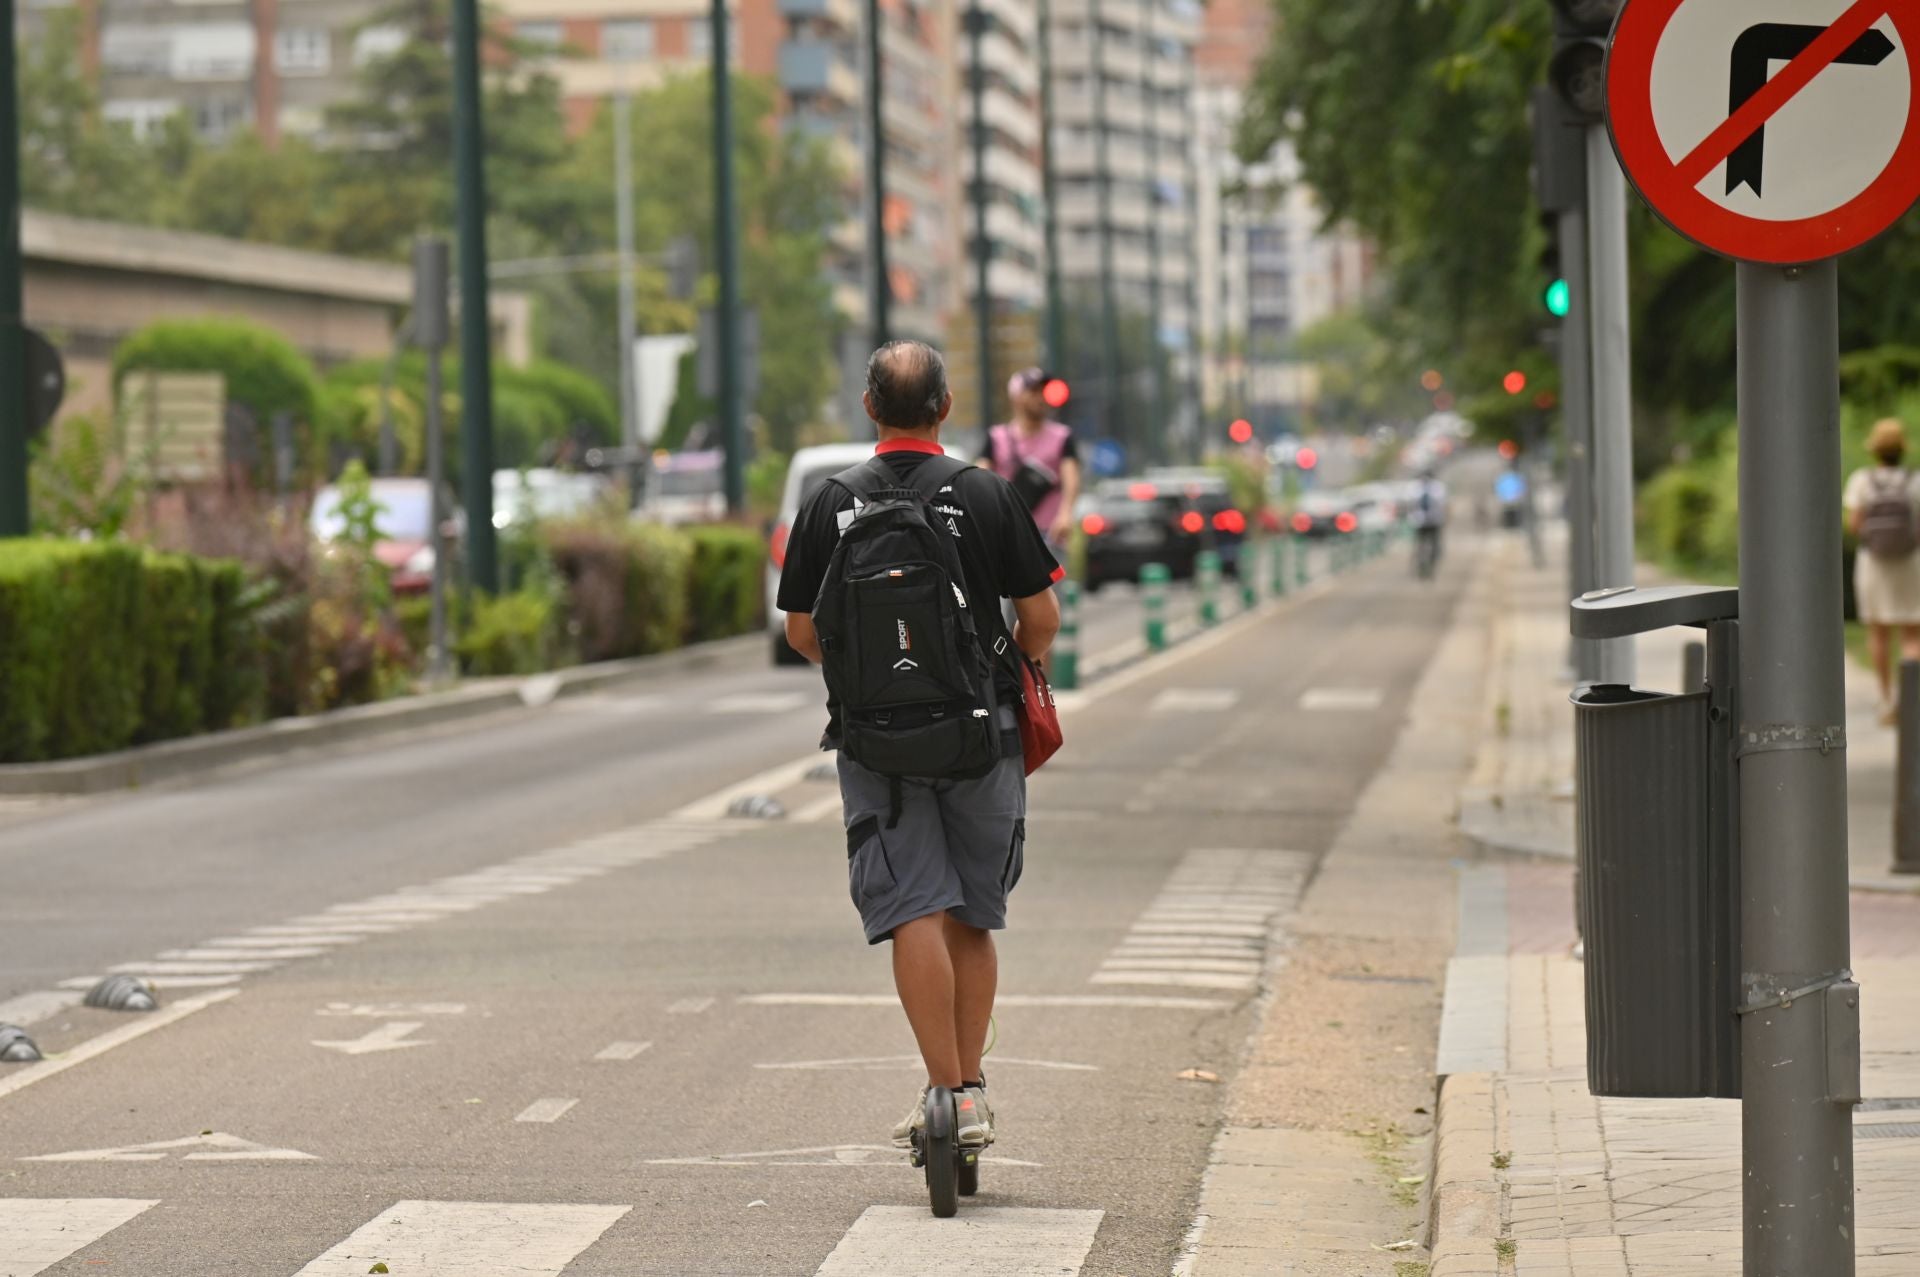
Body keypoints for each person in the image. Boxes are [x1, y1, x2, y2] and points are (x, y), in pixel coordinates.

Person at [777, 341, 1062, 1152]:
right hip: (984, 734)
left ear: (870, 407)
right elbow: (1041, 619)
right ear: (943, 408)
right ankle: (969, 1094)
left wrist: (874, 680)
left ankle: (938, 1087)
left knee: (914, 910)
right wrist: (1008, 666)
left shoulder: (829, 503)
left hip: (875, 745)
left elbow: (802, 630)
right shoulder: (985, 494)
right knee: (973, 914)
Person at [1844, 417, 1920, 723]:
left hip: (1873, 563)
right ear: (1902, 449)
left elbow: (1854, 524)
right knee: (1912, 634)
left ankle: (1886, 701)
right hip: (1911, 562)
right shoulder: (1915, 480)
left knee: (1878, 632)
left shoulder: (1862, 480)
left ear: (1874, 450)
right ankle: (1910, 699)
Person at [979, 367, 1082, 557]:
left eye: (1043, 391)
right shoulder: (997, 437)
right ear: (1016, 396)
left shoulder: (1062, 436)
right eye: (1033, 391)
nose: (1040, 398)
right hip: (1008, 533)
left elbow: (1071, 478)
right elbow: (980, 479)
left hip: (1049, 533)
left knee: (1053, 586)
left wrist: (1066, 514)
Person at [1408, 467, 1447, 579]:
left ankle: (1428, 566)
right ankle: (1423, 565)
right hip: (1424, 521)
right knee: (1424, 545)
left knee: (1429, 545)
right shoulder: (1436, 488)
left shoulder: (1435, 488)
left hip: (1430, 520)